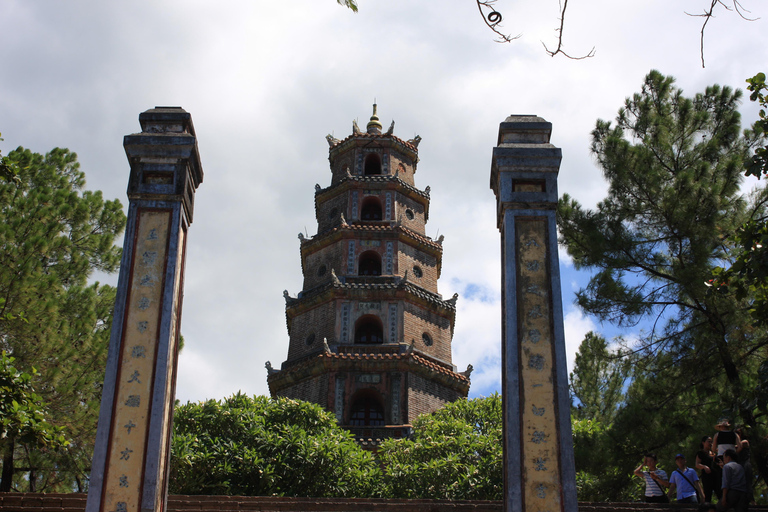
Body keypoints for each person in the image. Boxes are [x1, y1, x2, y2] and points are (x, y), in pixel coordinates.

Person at [697, 435, 722, 502]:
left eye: (711, 442)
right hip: (707, 477)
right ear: (703, 443)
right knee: (708, 495)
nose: (710, 443)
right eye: (709, 442)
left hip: (716, 477)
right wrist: (704, 467)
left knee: (720, 494)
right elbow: (697, 464)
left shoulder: (714, 454)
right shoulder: (701, 453)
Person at [734, 428, 754, 505]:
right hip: (738, 466)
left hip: (745, 464)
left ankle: (753, 502)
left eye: (738, 433)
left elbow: (740, 447)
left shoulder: (745, 441)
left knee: (748, 484)